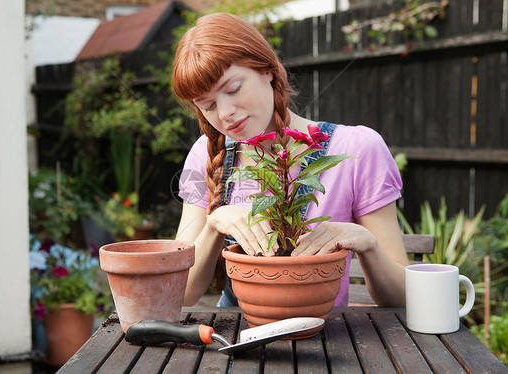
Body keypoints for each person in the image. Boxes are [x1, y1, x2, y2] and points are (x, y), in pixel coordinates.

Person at [172, 12, 410, 308]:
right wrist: (214, 224)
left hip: (327, 343)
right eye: (207, 105)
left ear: (267, 70)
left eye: (233, 89)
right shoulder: (207, 152)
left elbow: (401, 296)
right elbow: (181, 294)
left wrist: (366, 243)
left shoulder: (358, 148)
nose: (225, 113)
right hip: (236, 342)